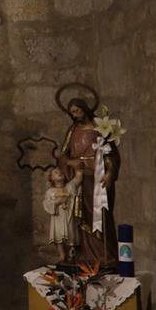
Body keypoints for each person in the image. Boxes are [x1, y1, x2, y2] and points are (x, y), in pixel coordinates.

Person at [59, 98, 119, 267]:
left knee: (102, 215)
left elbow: (112, 154)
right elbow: (62, 157)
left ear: (84, 109)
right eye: (72, 112)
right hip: (81, 179)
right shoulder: (72, 131)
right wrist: (71, 163)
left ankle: (106, 256)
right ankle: (85, 256)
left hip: (99, 178)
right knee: (82, 217)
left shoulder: (99, 128)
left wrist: (110, 172)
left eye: (77, 110)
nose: (75, 115)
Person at [43, 166, 81, 263]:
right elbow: (46, 203)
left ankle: (71, 255)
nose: (59, 173)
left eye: (61, 172)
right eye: (56, 172)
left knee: (70, 233)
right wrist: (56, 202)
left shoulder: (69, 187)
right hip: (58, 216)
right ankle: (62, 255)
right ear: (51, 178)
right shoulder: (50, 192)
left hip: (68, 215)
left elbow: (78, 178)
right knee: (59, 235)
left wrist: (79, 167)